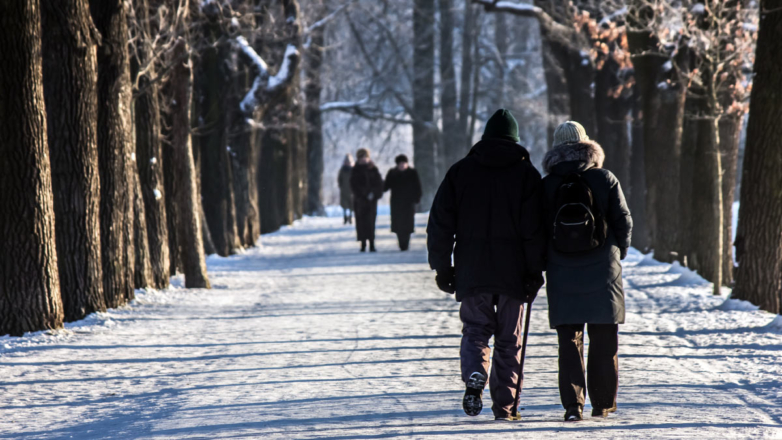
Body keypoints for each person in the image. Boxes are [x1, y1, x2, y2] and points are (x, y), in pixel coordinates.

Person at [427, 109, 546, 421]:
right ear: (515, 139)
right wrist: (536, 270)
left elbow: (440, 223)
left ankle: (475, 374)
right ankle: (505, 407)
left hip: (472, 269)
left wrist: (442, 267)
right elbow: (534, 230)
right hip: (515, 273)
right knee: (510, 339)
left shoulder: (460, 172)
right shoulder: (527, 176)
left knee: (476, 330)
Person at [542, 121, 632, 422]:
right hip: (603, 269)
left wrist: (542, 262)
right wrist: (617, 253)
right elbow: (624, 221)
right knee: (604, 338)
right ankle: (603, 403)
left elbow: (535, 230)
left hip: (560, 270)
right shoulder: (604, 178)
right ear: (587, 146)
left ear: (556, 150)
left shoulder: (547, 184)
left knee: (569, 341)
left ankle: (573, 405)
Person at [384, 154, 422, 251]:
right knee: (398, 224)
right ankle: (401, 243)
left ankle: (406, 242)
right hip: (396, 203)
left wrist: (417, 198)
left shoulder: (412, 173)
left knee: (408, 223)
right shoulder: (392, 173)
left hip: (409, 203)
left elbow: (418, 186)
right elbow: (385, 186)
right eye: (400, 163)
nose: (402, 165)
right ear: (397, 164)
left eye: (404, 163)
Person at [350, 148, 384, 252]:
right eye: (362, 158)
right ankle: (363, 243)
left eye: (366, 157)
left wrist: (373, 193)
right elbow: (353, 185)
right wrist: (363, 194)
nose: (364, 159)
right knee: (361, 222)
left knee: (371, 222)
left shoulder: (373, 169)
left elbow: (379, 184)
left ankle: (372, 243)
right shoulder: (355, 170)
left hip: (371, 201)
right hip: (360, 201)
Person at [337, 154, 354, 225]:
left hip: (351, 190)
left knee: (351, 205)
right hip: (344, 190)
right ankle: (345, 217)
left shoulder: (353, 170)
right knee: (344, 204)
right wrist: (341, 186)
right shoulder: (342, 170)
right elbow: (339, 179)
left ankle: (350, 217)